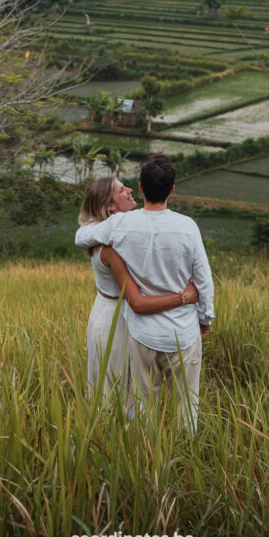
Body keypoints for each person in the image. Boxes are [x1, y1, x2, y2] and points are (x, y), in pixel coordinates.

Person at [75, 155, 214, 431]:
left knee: (140, 406)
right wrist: (205, 318)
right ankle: (185, 452)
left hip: (141, 333)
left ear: (140, 187)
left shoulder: (120, 225)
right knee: (187, 407)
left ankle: (143, 456)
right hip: (182, 330)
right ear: (173, 189)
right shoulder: (188, 226)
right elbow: (204, 280)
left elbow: (81, 237)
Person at [78, 175, 199, 397]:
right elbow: (138, 302)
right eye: (122, 189)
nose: (130, 190)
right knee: (119, 390)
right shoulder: (111, 248)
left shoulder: (113, 235)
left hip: (106, 311)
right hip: (116, 321)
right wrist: (185, 297)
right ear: (111, 208)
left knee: (115, 388)